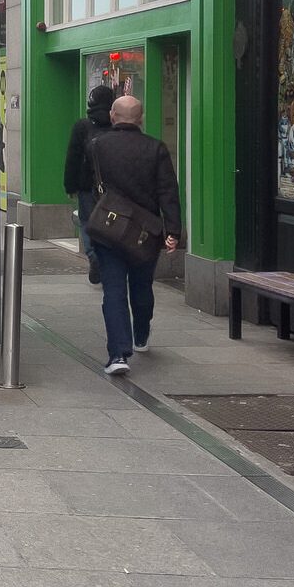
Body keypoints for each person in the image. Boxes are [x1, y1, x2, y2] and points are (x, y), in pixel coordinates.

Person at [87, 95, 181, 376]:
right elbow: (168, 192)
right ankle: (141, 335)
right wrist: (173, 231)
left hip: (109, 230)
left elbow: (86, 186)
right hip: (145, 234)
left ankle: (117, 353)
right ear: (141, 118)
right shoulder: (156, 149)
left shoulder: (96, 147)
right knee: (142, 287)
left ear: (113, 116)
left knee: (113, 290)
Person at [64, 85, 116, 285]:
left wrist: (70, 186)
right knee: (111, 224)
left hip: (87, 187)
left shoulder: (82, 126)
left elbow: (73, 159)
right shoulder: (117, 125)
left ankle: (94, 256)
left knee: (87, 222)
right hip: (115, 188)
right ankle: (110, 260)